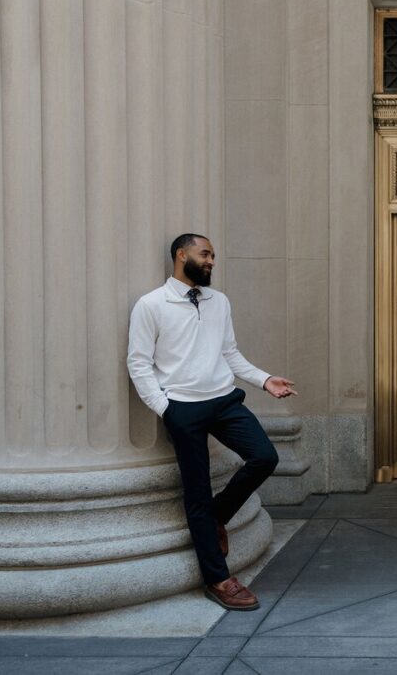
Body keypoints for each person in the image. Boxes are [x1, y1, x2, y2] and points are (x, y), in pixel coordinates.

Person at [127, 233, 297, 610]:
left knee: (264, 457)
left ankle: (217, 518)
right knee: (197, 492)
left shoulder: (218, 301)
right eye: (205, 254)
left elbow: (229, 353)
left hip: (224, 400)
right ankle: (218, 579)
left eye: (213, 256)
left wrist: (264, 379)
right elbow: (138, 362)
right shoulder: (151, 305)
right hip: (181, 408)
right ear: (181, 254)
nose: (211, 261)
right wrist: (165, 407)